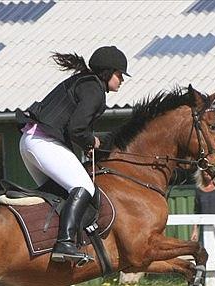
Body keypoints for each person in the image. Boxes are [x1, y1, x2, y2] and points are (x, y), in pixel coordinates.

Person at [16, 46, 130, 264]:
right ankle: (65, 243)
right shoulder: (94, 89)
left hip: (31, 142)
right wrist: (92, 141)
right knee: (84, 187)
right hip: (42, 143)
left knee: (61, 194)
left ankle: (46, 243)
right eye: (119, 74)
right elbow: (77, 129)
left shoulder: (85, 82)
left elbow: (72, 126)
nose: (122, 80)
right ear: (107, 72)